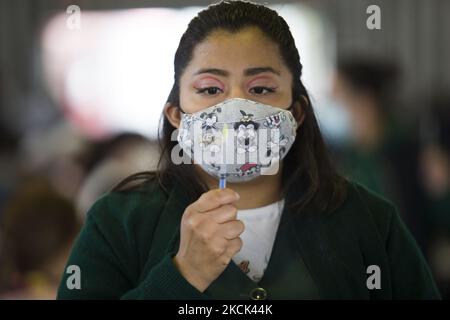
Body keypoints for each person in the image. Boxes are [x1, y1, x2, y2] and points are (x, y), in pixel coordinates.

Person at [57, 1, 439, 300]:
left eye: (260, 89)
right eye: (210, 90)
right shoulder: (119, 223)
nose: (236, 108)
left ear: (297, 112)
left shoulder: (367, 221)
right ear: (176, 115)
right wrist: (182, 276)